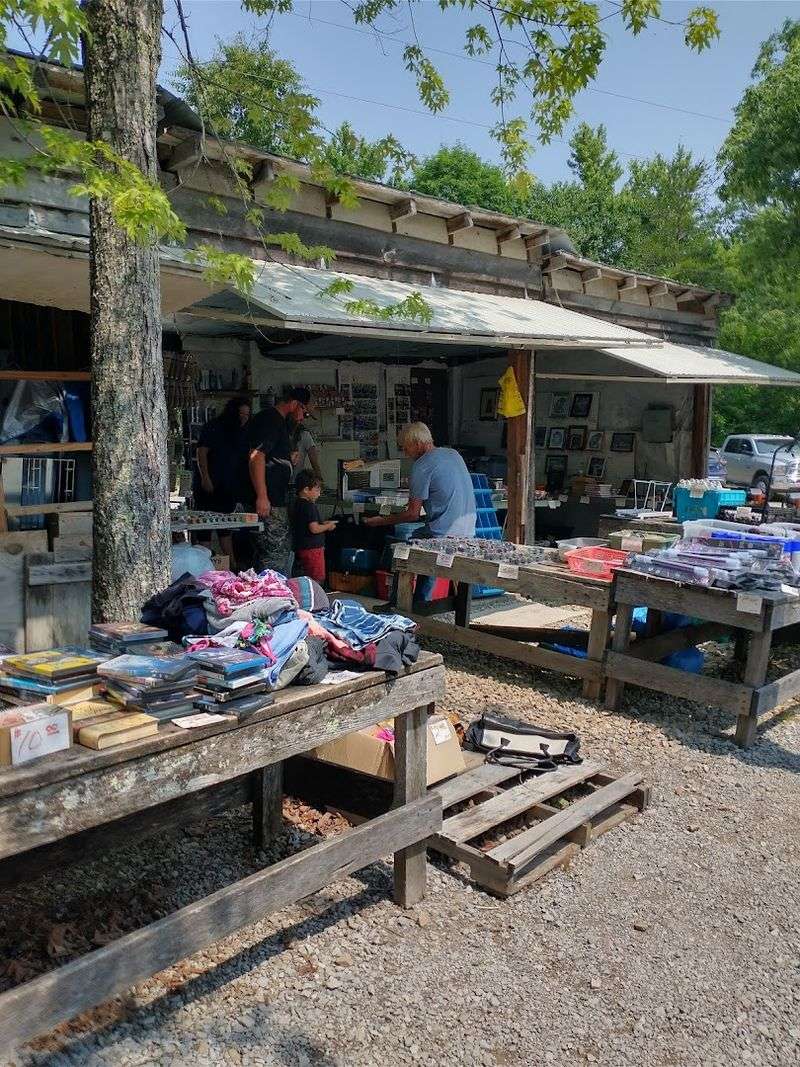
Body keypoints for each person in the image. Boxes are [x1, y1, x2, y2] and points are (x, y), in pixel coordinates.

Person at [363, 422, 476, 599]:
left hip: (443, 536)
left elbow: (412, 514)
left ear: (417, 443)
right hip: (469, 531)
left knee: (400, 548)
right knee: (420, 535)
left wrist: (379, 521)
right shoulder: (453, 454)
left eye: (405, 447)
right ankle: (420, 599)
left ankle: (402, 603)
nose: (405, 453)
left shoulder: (422, 466)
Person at [233, 386, 311, 576]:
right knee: (276, 554)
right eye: (304, 412)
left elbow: (268, 457)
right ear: (294, 404)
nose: (302, 418)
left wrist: (286, 460)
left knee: (274, 553)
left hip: (273, 498)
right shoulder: (270, 420)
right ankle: (272, 596)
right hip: (268, 502)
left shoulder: (278, 422)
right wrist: (262, 496)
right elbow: (256, 455)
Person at [193, 396, 251, 560]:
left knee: (225, 527)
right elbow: (201, 452)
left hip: (228, 487)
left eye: (247, 415)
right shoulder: (214, 427)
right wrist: (205, 477)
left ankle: (229, 564)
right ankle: (204, 563)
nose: (244, 418)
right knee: (204, 526)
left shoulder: (241, 432)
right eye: (241, 414)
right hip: (209, 485)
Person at [292, 470, 337, 584]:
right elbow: (314, 528)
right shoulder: (309, 506)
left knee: (304, 575)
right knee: (317, 577)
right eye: (317, 490)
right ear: (306, 490)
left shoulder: (296, 504)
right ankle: (316, 597)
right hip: (313, 548)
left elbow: (308, 523)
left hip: (301, 547)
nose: (319, 493)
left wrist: (324, 523)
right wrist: (328, 527)